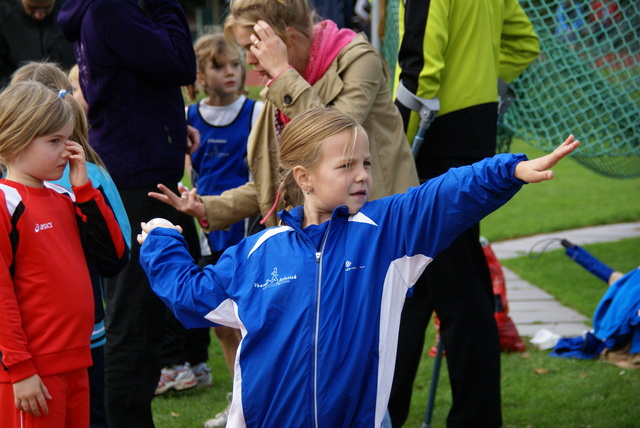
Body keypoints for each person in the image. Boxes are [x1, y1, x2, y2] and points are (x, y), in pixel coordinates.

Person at [138, 107, 580, 427]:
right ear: (303, 177)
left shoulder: (386, 232)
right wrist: (161, 237)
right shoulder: (258, 253)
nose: (363, 175)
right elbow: (188, 294)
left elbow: (447, 192)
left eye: (366, 163)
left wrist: (510, 170)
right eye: (346, 165)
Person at [387, 1, 541, 427]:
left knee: (451, 284)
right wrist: (479, 85)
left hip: (431, 134)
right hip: (472, 126)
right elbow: (524, 43)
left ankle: (472, 416)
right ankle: (386, 409)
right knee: (418, 284)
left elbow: (421, 70)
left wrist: (389, 149)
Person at [149, 0, 418, 235]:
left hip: (376, 227)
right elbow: (275, 183)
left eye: (252, 46)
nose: (249, 61)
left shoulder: (357, 60)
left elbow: (336, 139)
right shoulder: (280, 85)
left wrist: (281, 72)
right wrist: (208, 206)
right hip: (322, 234)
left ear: (286, 38)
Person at [57, 0, 199, 426]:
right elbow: (180, 62)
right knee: (134, 324)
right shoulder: (111, 10)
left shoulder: (102, 11)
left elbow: (144, 79)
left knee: (144, 320)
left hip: (139, 168)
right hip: (137, 180)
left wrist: (168, 125)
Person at [10, 60, 131, 428]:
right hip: (34, 371)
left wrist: (83, 189)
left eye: (69, 139)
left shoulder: (66, 197)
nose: (67, 150)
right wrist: (19, 367)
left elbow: (113, 258)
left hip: (80, 360)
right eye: (55, 141)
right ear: (16, 137)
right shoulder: (6, 204)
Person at [181, 32, 264, 428]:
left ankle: (254, 398)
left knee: (250, 317)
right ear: (200, 74)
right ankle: (239, 399)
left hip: (246, 225)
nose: (230, 72)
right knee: (220, 321)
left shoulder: (257, 111)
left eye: (235, 64)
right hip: (206, 226)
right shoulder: (189, 118)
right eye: (219, 66)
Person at [0, 0, 75, 87]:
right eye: (32, 9)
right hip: (18, 92)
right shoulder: (4, 17)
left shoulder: (69, 11)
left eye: (47, 8)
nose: (39, 15)